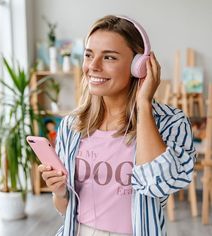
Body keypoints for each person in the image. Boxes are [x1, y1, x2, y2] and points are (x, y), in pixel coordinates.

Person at [38, 15, 196, 236]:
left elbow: (160, 185)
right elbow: (65, 209)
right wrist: (60, 191)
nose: (93, 66)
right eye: (88, 55)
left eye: (109, 57)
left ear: (138, 66)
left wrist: (143, 104)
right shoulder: (71, 126)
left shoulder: (171, 122)